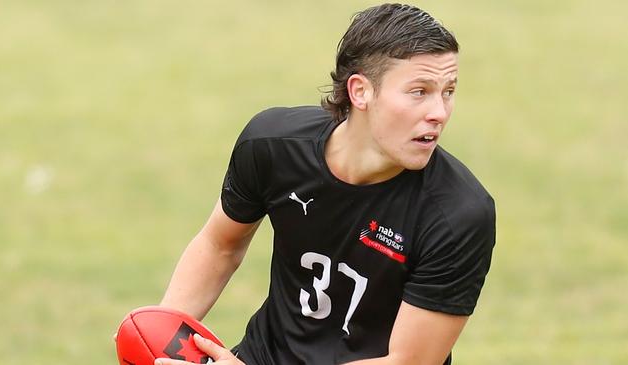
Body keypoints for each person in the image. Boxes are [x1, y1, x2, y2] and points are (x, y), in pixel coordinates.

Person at [154, 3, 495, 365]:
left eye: (448, 91)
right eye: (419, 91)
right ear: (360, 91)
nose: (439, 113)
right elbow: (220, 245)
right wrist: (159, 332)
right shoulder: (272, 147)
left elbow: (408, 362)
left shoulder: (459, 214)